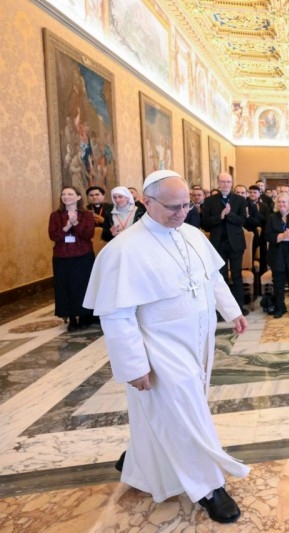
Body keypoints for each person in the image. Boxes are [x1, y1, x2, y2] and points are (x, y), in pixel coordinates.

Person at [83, 170, 249, 523]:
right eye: (174, 207)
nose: (182, 213)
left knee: (170, 411)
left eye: (187, 205)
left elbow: (212, 277)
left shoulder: (191, 234)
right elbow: (116, 314)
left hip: (198, 341)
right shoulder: (124, 249)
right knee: (187, 415)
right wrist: (133, 366)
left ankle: (139, 461)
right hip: (159, 349)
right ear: (147, 202)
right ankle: (209, 488)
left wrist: (232, 311)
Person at [201, 172, 249, 316]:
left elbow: (243, 221)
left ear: (232, 183)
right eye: (223, 182)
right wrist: (220, 216)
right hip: (218, 244)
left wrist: (230, 214)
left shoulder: (240, 200)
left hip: (235, 244)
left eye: (228, 182)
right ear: (218, 183)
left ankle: (239, 308)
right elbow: (205, 224)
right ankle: (223, 310)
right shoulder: (209, 201)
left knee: (237, 275)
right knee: (220, 277)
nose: (225, 184)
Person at [49, 186, 95, 331]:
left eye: (70, 194)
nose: (66, 196)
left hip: (83, 256)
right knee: (64, 288)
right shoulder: (55, 215)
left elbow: (88, 235)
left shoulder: (87, 215)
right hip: (62, 257)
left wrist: (75, 223)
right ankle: (71, 318)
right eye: (63, 194)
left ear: (78, 197)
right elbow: (53, 236)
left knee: (82, 287)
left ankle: (84, 316)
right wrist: (66, 227)